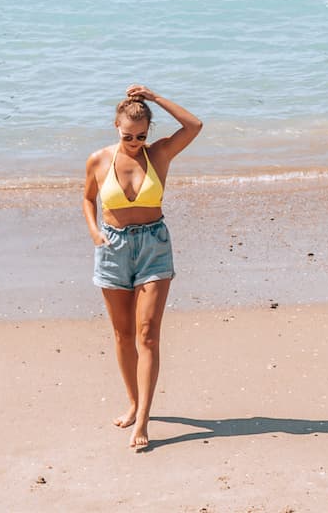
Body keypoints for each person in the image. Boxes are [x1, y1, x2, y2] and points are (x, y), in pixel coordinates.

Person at [83, 84, 202, 451]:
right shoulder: (99, 160)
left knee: (148, 333)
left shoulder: (159, 154)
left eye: (140, 135)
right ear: (115, 127)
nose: (134, 142)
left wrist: (153, 98)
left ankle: (145, 419)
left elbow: (194, 125)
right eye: (127, 136)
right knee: (122, 334)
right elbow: (88, 198)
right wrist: (94, 233)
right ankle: (133, 402)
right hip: (113, 247)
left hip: (154, 247)